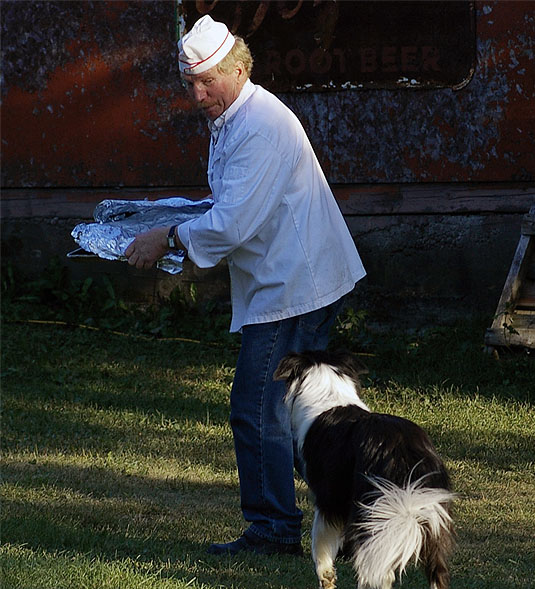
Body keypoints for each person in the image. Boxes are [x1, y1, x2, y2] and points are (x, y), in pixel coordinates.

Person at [125, 15, 366, 556]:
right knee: (305, 415)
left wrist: (164, 236)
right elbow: (230, 205)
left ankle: (275, 528)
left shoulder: (259, 125)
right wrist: (173, 219)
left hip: (293, 285)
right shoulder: (236, 115)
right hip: (290, 279)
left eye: (206, 81)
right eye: (190, 84)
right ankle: (350, 518)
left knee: (258, 408)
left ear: (238, 67)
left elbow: (232, 223)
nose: (197, 94)